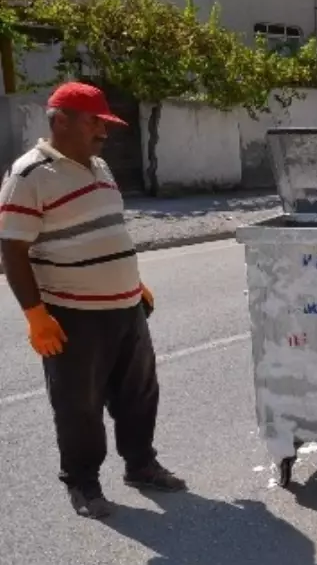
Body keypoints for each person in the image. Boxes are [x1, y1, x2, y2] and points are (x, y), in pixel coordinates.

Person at [0, 82, 186, 520]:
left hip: (126, 308)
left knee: (138, 394)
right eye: (94, 122)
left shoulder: (100, 166)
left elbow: (107, 231)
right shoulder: (28, 176)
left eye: (105, 123)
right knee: (79, 404)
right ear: (60, 121)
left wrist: (134, 284)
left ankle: (141, 465)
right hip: (73, 314)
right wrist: (36, 316)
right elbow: (12, 252)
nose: (103, 132)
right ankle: (83, 484)